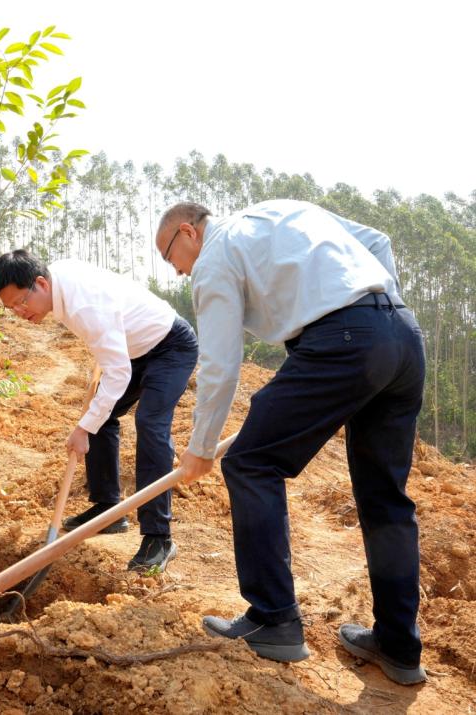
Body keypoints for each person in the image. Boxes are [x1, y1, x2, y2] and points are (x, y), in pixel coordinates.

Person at [156, 199, 426, 685]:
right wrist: (384, 323)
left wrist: (200, 447)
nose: (177, 272)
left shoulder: (214, 254)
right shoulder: (280, 211)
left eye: (169, 257)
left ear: (187, 232)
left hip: (344, 338)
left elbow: (220, 363)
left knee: (250, 463)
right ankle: (400, 646)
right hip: (402, 335)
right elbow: (378, 243)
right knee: (385, 498)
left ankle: (274, 618)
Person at [0, 250, 199, 572]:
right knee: (99, 417)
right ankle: (107, 509)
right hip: (132, 349)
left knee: (150, 424)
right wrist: (91, 420)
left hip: (170, 346)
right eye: (10, 308)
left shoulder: (83, 305)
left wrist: (83, 428)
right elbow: (110, 353)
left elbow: (117, 373)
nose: (18, 312)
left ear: (41, 283)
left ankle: (159, 537)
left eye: (20, 302)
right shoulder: (58, 286)